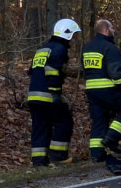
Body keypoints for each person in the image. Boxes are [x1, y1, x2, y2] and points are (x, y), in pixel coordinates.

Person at [81, 19, 121, 172]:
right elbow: (116, 73)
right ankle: (112, 138)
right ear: (105, 30)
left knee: (99, 120)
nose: (114, 30)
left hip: (91, 90)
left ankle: (97, 154)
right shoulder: (109, 47)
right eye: (111, 27)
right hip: (108, 89)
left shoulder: (87, 47)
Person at [27, 18, 81, 166]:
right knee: (64, 122)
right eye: (74, 35)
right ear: (67, 34)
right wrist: (55, 93)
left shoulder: (42, 49)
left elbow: (32, 71)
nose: (75, 39)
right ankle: (58, 156)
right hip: (48, 95)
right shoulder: (60, 50)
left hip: (33, 95)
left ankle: (38, 160)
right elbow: (52, 72)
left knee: (40, 126)